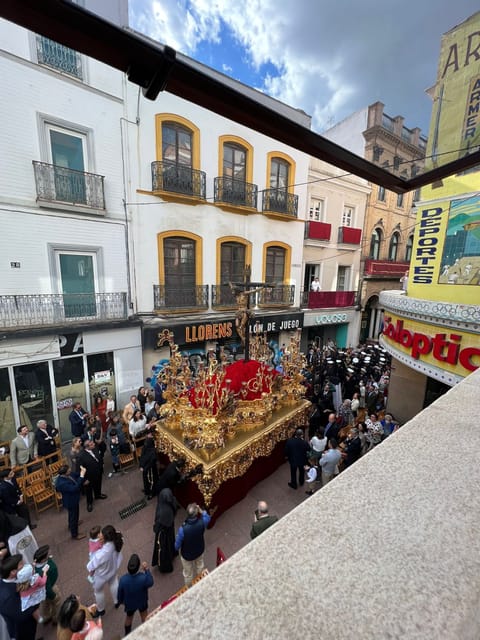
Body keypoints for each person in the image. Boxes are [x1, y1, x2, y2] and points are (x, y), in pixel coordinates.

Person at [86, 525, 123, 617]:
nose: (99, 536)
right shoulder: (117, 540)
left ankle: (101, 610)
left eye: (101, 535)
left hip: (101, 576)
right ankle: (117, 601)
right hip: (113, 570)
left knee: (98, 591)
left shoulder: (101, 554)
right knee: (114, 583)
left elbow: (90, 566)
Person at [0, 553, 38, 640]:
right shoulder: (8, 597)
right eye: (22, 565)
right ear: (13, 572)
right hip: (21, 631)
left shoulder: (13, 580)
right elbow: (21, 615)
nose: (25, 567)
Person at [117, 554, 154, 636]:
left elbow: (120, 593)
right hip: (142, 601)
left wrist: (121, 601)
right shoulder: (143, 578)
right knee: (144, 616)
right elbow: (151, 582)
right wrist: (147, 570)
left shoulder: (123, 580)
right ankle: (147, 631)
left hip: (129, 604)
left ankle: (127, 634)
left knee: (129, 618)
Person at [174, 503, 210, 586]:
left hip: (187, 555)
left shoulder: (182, 530)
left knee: (188, 574)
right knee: (200, 566)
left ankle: (190, 588)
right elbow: (208, 518)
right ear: (197, 513)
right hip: (200, 550)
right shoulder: (202, 522)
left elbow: (176, 546)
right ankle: (200, 581)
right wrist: (201, 511)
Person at [55, 464, 87, 540]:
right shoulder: (62, 483)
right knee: (74, 516)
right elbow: (74, 488)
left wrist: (82, 473)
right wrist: (82, 477)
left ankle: (71, 525)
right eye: (69, 470)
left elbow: (75, 474)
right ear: (65, 473)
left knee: (72, 515)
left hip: (73, 499)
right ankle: (75, 534)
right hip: (70, 501)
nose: (70, 470)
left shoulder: (68, 474)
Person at [152, 488, 179, 572]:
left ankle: (165, 567)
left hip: (162, 534)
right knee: (171, 542)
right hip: (170, 527)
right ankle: (173, 554)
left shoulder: (162, 511)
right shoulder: (173, 501)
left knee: (163, 549)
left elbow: (157, 528)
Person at [33, 544, 61, 625]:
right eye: (48, 554)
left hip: (40, 591)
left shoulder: (36, 566)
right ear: (43, 560)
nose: (50, 553)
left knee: (45, 604)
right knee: (56, 603)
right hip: (50, 588)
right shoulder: (43, 572)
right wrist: (53, 596)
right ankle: (56, 618)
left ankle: (46, 617)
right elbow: (47, 587)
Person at [78, 440, 107, 512]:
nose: (94, 444)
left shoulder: (95, 448)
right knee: (89, 490)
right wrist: (84, 480)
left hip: (98, 471)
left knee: (98, 484)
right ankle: (89, 503)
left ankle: (98, 495)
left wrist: (101, 464)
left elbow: (99, 457)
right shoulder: (81, 456)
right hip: (89, 476)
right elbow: (79, 468)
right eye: (92, 444)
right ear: (87, 447)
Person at [139, 434, 158, 499]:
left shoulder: (153, 452)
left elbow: (151, 463)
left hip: (150, 470)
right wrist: (141, 466)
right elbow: (142, 456)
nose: (145, 444)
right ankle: (147, 490)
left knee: (152, 481)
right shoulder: (145, 446)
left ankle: (152, 493)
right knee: (145, 480)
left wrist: (144, 468)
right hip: (145, 468)